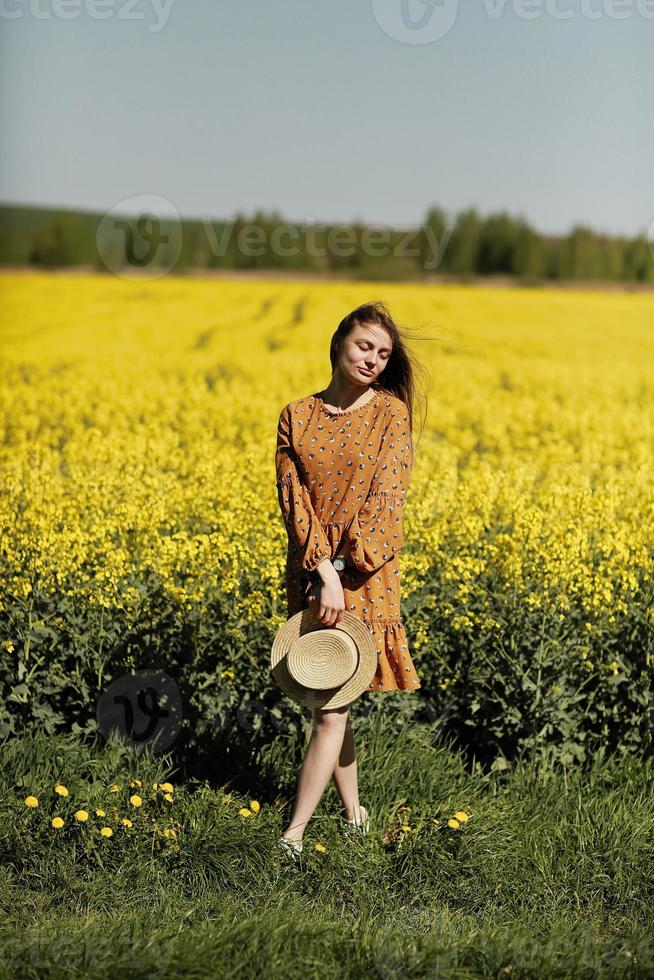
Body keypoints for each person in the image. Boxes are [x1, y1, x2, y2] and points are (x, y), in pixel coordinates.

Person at [274, 300, 423, 854]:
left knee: (332, 707)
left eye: (384, 354)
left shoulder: (390, 414)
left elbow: (387, 503)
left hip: (364, 573)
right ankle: (356, 815)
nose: (374, 360)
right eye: (365, 347)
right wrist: (317, 570)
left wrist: (338, 571)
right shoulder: (296, 414)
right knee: (334, 696)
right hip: (312, 573)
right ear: (338, 344)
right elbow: (294, 500)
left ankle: (292, 836)